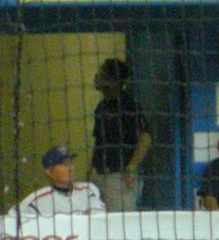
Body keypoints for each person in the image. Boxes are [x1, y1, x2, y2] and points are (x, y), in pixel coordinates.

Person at [88, 58, 152, 211]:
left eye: (102, 74)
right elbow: (99, 141)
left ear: (113, 80)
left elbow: (145, 137)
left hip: (120, 178)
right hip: (101, 176)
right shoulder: (102, 106)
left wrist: (131, 167)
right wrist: (91, 167)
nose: (97, 77)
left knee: (121, 221)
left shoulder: (129, 105)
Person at [11, 146, 106, 217]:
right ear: (49, 172)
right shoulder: (37, 199)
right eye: (64, 165)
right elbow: (12, 216)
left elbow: (100, 218)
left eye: (71, 163)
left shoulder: (89, 189)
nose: (70, 168)